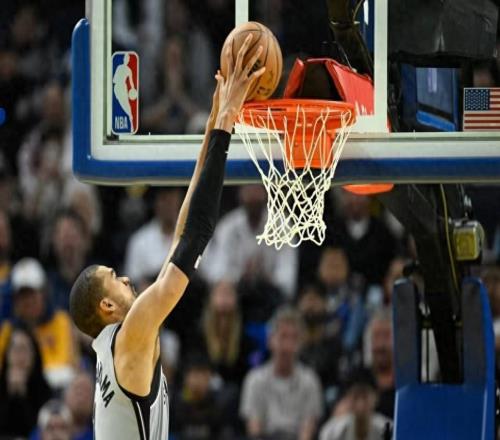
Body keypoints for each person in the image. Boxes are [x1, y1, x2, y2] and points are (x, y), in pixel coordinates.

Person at [68, 35, 266, 440]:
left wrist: (214, 123)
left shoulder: (116, 345)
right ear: (107, 305)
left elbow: (181, 234)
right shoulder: (130, 334)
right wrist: (226, 123)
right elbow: (194, 238)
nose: (126, 278)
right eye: (115, 278)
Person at [240, 306, 323, 440]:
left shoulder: (310, 381)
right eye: (283, 337)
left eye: (294, 338)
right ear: (270, 340)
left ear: (301, 344)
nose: (287, 346)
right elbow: (254, 431)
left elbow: (307, 430)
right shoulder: (254, 379)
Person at [0, 325, 52, 438]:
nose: (19, 356)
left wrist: (22, 396)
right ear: (7, 355)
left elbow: (40, 430)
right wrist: (11, 393)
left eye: (24, 349)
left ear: (34, 355)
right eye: (15, 349)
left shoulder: (44, 389)